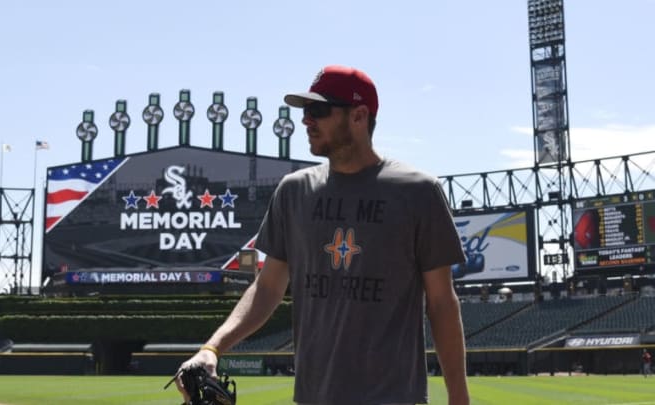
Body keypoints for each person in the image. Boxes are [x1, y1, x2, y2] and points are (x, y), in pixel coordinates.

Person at [176, 65, 470, 405]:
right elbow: (268, 286)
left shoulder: (418, 192)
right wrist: (213, 348)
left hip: (394, 397)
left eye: (318, 110)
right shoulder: (293, 191)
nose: (306, 121)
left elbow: (441, 303)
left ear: (359, 116)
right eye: (305, 111)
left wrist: (458, 397)